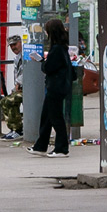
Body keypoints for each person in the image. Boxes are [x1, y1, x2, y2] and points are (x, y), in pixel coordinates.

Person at [28, 17, 75, 158]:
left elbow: (48, 68)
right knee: (47, 117)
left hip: (55, 88)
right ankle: (40, 146)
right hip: (59, 87)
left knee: (56, 118)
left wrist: (43, 61)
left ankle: (61, 149)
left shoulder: (56, 49)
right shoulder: (62, 48)